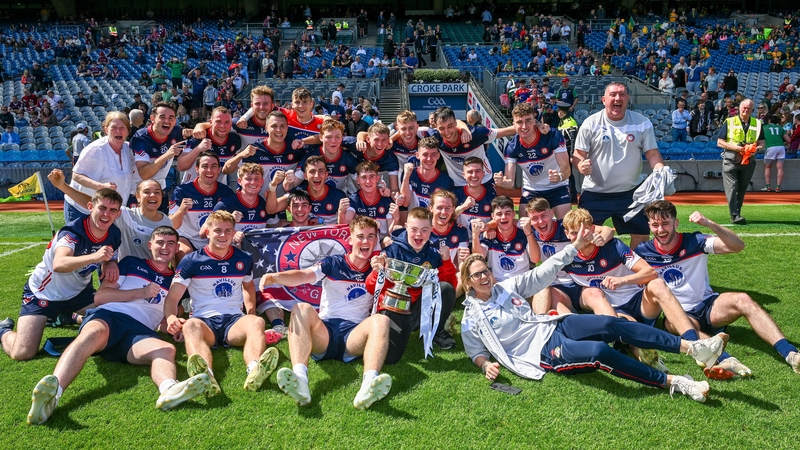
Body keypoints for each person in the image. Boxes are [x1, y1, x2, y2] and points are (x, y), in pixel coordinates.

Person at [459, 231, 729, 403]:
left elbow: (540, 273)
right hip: (540, 350)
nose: (484, 277)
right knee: (598, 351)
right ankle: (673, 382)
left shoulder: (504, 288)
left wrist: (573, 247)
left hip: (552, 325)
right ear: (468, 283)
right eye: (477, 275)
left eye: (486, 271)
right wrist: (485, 365)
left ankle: (694, 348)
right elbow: (475, 350)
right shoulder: (472, 317)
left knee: (611, 323)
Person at [25, 227, 211, 425]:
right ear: (150, 245)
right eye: (160, 242)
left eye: (171, 243)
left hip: (139, 332)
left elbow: (165, 320)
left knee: (165, 349)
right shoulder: (130, 263)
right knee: (93, 332)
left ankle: (168, 390)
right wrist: (142, 292)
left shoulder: (176, 282)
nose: (165, 247)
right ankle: (53, 394)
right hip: (110, 317)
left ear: (176, 249)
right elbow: (101, 297)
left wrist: (175, 327)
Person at [637, 200, 800, 378]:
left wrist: (709, 223)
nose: (660, 230)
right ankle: (727, 360)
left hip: (709, 307)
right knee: (674, 323)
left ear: (676, 223)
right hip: (681, 316)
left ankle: (791, 354)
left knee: (743, 299)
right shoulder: (643, 252)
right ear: (649, 226)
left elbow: (737, 246)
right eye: (655, 225)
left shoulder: (695, 241)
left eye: (665, 223)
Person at [259, 216, 393, 410]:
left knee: (381, 320)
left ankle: (369, 386)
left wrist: (383, 272)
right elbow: (304, 275)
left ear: (376, 240)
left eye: (371, 236)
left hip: (354, 337)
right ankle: (300, 380)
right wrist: (276, 277)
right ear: (350, 239)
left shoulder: (378, 268)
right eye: (360, 236)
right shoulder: (334, 263)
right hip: (326, 333)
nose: (365, 241)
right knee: (301, 308)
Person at [164, 211, 279, 397]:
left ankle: (255, 370)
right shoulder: (191, 260)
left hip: (233, 320)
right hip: (203, 321)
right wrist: (170, 318)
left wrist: (250, 313)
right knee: (191, 325)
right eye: (218, 230)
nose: (223, 235)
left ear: (234, 233)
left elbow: (248, 287)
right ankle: (205, 377)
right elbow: (172, 297)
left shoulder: (243, 258)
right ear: (207, 232)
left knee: (257, 322)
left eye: (228, 231)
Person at [0, 189, 122, 362]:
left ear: (118, 213)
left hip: (80, 294)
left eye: (112, 210)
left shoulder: (114, 234)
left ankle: (70, 316)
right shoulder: (72, 232)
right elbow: (59, 264)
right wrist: (96, 257)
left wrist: (110, 264)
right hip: (44, 294)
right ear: (90, 207)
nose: (106, 214)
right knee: (23, 353)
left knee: (114, 316)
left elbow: (111, 257)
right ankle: (3, 331)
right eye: (102, 208)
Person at [573, 82, 665, 250]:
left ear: (628, 98)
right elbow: (578, 155)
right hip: (595, 193)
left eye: (622, 94)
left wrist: (659, 169)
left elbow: (652, 153)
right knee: (583, 234)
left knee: (641, 234)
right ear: (603, 99)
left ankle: (635, 270)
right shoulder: (590, 123)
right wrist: (580, 166)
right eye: (613, 94)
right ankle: (589, 272)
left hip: (630, 193)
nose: (618, 98)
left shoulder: (642, 123)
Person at [367, 207, 458, 362]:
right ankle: (392, 331)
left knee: (446, 289)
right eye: (414, 229)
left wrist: (447, 261)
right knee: (390, 358)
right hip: (394, 310)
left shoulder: (434, 255)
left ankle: (436, 331)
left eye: (424, 230)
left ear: (431, 230)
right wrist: (377, 271)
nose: (418, 235)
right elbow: (370, 287)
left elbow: (450, 286)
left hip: (419, 310)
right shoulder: (391, 252)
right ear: (406, 227)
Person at [498, 103, 571, 219]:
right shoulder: (512, 147)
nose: (524, 126)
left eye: (528, 121)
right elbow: (510, 182)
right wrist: (501, 182)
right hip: (532, 189)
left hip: (557, 187)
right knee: (524, 225)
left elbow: (566, 170)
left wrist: (559, 177)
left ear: (534, 121)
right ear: (513, 125)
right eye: (519, 122)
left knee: (567, 225)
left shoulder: (552, 135)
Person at [65, 112, 135, 223]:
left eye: (122, 127)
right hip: (82, 209)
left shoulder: (129, 149)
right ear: (106, 130)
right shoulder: (96, 149)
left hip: (110, 210)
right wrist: (100, 186)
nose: (118, 131)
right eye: (114, 127)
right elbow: (76, 175)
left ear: (128, 131)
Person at [169, 152, 234, 258]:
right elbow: (172, 225)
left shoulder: (226, 192)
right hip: (188, 238)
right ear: (197, 169)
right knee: (184, 254)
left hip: (215, 238)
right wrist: (181, 211)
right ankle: (179, 275)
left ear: (219, 170)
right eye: (205, 166)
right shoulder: (182, 191)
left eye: (214, 166)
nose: (209, 170)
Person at [130, 102, 187, 214]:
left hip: (160, 189)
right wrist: (166, 155)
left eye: (171, 117)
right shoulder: (141, 137)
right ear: (152, 118)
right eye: (162, 117)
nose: (167, 121)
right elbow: (144, 174)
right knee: (139, 230)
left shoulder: (175, 131)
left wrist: (200, 126)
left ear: (175, 121)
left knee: (161, 228)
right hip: (138, 191)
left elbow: (200, 130)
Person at [716, 99, 764, 225]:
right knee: (732, 187)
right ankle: (735, 215)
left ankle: (737, 212)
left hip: (748, 161)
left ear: (752, 110)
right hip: (731, 160)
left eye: (748, 108)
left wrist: (756, 149)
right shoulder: (730, 121)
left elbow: (762, 143)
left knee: (742, 188)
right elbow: (720, 141)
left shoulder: (757, 124)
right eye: (744, 107)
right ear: (739, 108)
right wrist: (736, 148)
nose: (745, 110)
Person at [761, 114, 788, 192]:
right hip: (781, 147)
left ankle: (768, 186)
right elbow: (788, 140)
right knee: (780, 168)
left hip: (770, 147)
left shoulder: (764, 128)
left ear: (769, 121)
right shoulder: (781, 128)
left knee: (768, 167)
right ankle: (778, 187)